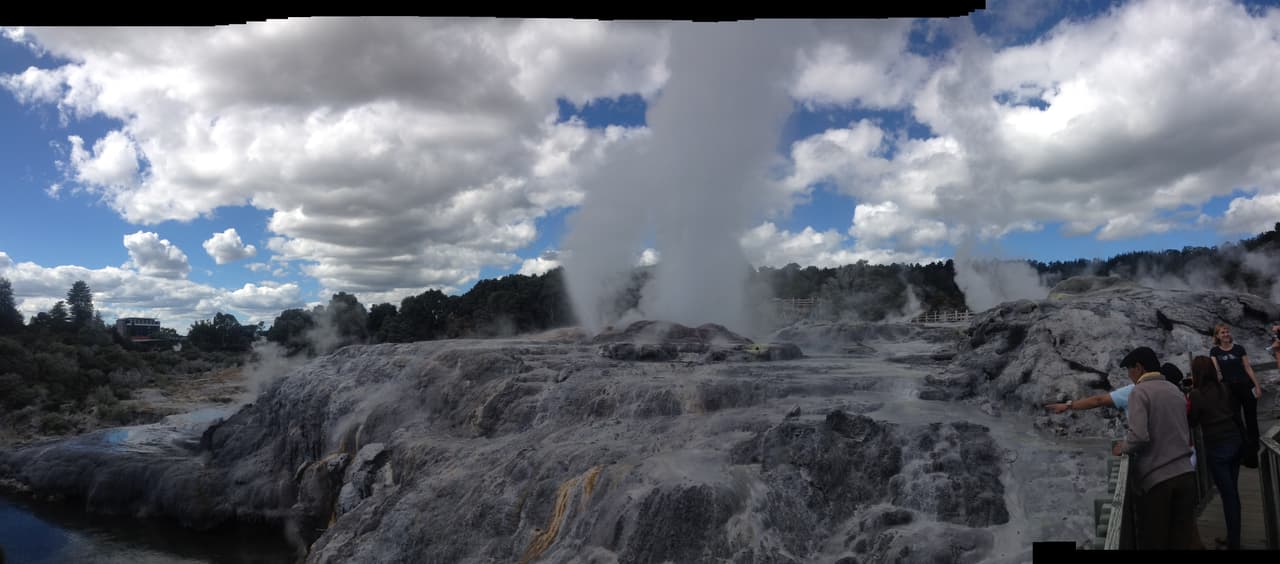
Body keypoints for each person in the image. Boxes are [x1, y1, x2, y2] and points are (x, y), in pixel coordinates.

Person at [1112, 346, 1197, 550]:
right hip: (1186, 473)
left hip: (1158, 480)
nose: (1129, 376)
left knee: (1155, 540)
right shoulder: (1174, 390)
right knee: (1183, 538)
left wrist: (1122, 447)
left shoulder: (1140, 392)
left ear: (1139, 368)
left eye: (1129, 370)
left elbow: (1139, 436)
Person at [1188, 355, 1244, 550]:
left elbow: (1192, 421)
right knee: (1233, 494)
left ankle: (1234, 542)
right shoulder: (1224, 388)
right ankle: (1233, 537)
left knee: (1227, 495)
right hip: (1234, 441)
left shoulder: (1196, 394)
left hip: (1217, 446)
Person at [1208, 324, 1263, 445]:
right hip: (1229, 389)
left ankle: (1255, 444)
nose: (1226, 334)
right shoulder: (1215, 351)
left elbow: (1248, 368)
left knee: (1251, 417)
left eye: (1227, 332)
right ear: (1217, 336)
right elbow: (1216, 370)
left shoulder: (1239, 349)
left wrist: (1257, 386)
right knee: (1235, 418)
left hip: (1245, 385)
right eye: (1222, 332)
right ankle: (1243, 444)